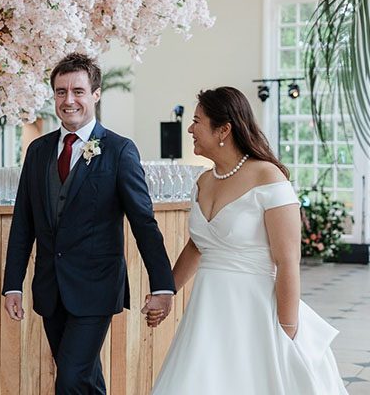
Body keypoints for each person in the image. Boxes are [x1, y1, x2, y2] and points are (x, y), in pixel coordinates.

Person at [149, 87, 347, 395]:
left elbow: (287, 260)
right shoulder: (203, 181)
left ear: (223, 129)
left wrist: (287, 329)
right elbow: (197, 246)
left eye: (197, 121)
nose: (190, 128)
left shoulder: (268, 177)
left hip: (256, 314)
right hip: (207, 314)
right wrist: (166, 292)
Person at [2, 53, 175, 394]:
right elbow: (24, 222)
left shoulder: (119, 150)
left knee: (70, 379)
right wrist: (13, 284)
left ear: (96, 94)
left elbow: (143, 222)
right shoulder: (37, 152)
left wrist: (162, 285)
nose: (69, 100)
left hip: (96, 288)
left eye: (78, 91)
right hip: (51, 288)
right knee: (84, 379)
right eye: (61, 91)